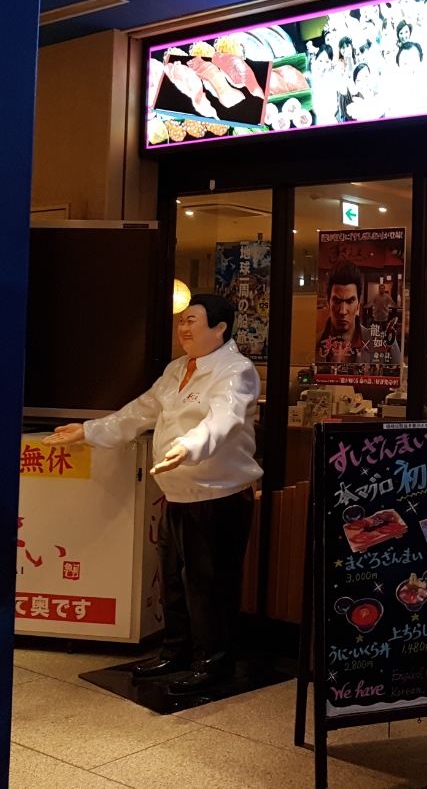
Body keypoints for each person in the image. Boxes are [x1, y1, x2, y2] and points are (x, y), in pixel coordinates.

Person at [42, 295, 259, 694]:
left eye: (192, 320)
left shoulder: (236, 370)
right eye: (182, 321)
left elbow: (223, 419)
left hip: (217, 496)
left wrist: (189, 447)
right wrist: (88, 431)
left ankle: (214, 663)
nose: (184, 328)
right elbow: (139, 411)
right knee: (173, 580)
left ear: (220, 328)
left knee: (209, 586)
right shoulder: (177, 369)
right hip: (176, 493)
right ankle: (176, 651)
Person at [316, 259, 402, 365]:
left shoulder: (386, 344)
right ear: (328, 303)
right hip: (376, 317)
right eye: (337, 301)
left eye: (350, 301)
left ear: (357, 304)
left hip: (383, 319)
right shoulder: (314, 344)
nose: (343, 311)